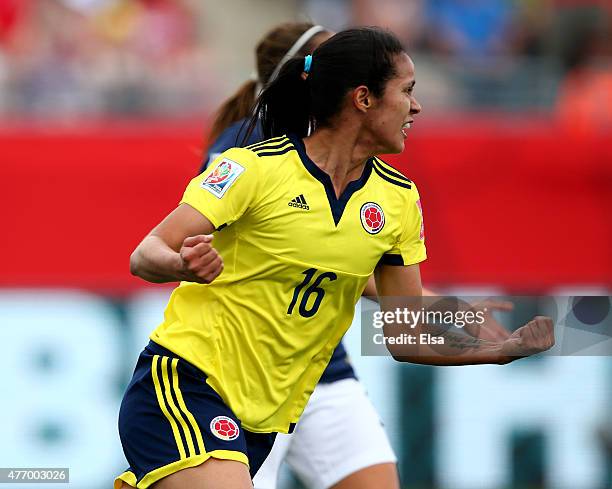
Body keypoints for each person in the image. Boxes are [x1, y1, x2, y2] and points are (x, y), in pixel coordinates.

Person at [118, 26, 554, 489]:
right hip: (188, 384)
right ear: (363, 99)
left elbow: (406, 339)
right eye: (407, 91)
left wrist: (496, 351)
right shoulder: (252, 166)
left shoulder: (399, 200)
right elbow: (146, 252)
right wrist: (180, 265)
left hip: (270, 413)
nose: (417, 106)